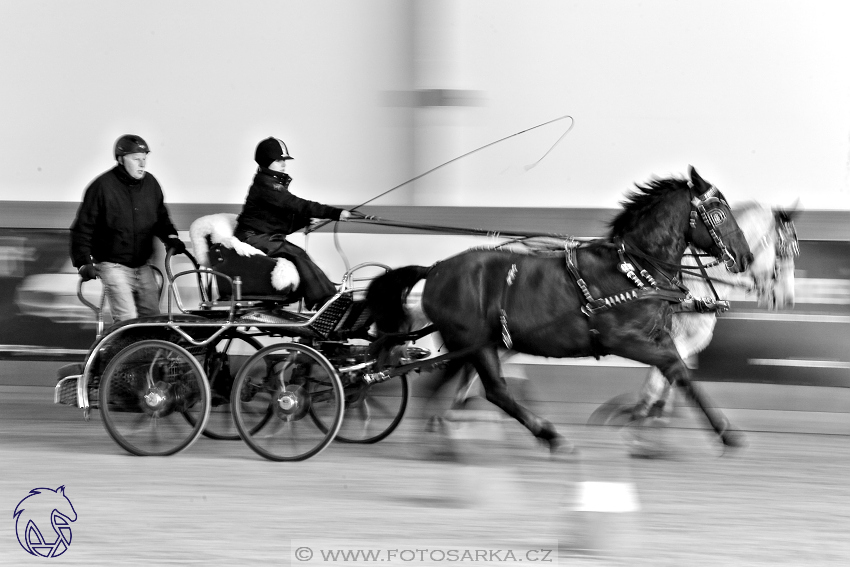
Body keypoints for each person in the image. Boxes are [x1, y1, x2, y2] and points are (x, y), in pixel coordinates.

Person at [70, 134, 185, 322]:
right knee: (128, 318)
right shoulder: (102, 187)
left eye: (144, 159)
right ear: (121, 160)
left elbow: (161, 218)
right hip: (113, 265)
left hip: (142, 265)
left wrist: (171, 237)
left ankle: (148, 352)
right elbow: (82, 228)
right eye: (136, 159)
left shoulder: (151, 185)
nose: (142, 164)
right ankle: (123, 351)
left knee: (152, 318)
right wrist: (83, 262)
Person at [234, 137, 351, 309]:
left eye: (284, 160)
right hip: (251, 237)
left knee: (299, 253)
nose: (284, 164)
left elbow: (278, 222)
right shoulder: (266, 185)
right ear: (267, 161)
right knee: (295, 253)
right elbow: (296, 204)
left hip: (262, 236)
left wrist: (305, 220)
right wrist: (334, 213)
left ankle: (328, 297)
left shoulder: (270, 184)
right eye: (279, 160)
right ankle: (325, 303)